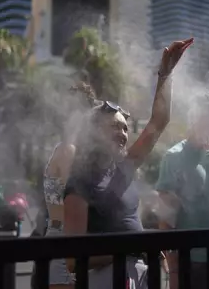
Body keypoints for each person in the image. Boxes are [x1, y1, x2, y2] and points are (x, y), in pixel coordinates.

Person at [63, 38, 193, 289]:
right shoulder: (79, 183)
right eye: (114, 127)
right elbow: (72, 259)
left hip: (139, 274)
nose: (123, 133)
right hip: (106, 279)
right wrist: (131, 249)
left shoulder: (124, 168)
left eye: (125, 128)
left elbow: (159, 122)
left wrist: (165, 74)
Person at [156, 91, 209, 289]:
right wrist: (174, 268)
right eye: (206, 114)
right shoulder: (173, 157)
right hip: (188, 258)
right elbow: (165, 218)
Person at [43, 82, 97, 289]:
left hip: (60, 238)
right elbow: (75, 197)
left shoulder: (65, 148)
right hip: (65, 242)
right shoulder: (68, 151)